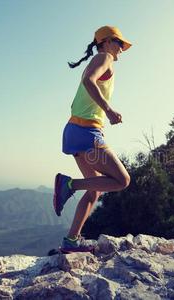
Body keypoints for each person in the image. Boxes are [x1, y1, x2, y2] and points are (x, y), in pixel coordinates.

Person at [53, 26, 132, 252]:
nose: (121, 49)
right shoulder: (104, 57)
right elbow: (88, 80)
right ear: (106, 42)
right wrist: (108, 109)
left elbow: (88, 82)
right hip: (86, 132)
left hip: (75, 130)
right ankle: (69, 184)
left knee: (95, 190)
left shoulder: (102, 58)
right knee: (121, 180)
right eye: (119, 43)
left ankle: (71, 241)